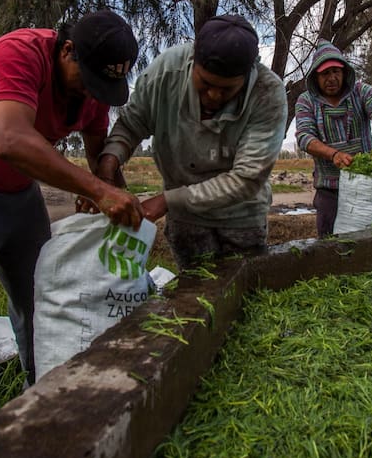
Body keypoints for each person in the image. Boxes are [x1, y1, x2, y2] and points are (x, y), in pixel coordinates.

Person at [0, 10, 144, 438]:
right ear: (66, 50)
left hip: (18, 193)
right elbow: (10, 140)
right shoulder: (18, 53)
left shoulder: (94, 89)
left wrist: (114, 195)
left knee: (43, 299)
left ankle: (45, 403)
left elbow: (96, 153)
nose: (94, 93)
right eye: (88, 79)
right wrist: (98, 191)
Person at [93, 15, 287, 269]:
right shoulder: (165, 73)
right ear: (192, 61)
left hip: (241, 218)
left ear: (247, 75)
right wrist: (108, 164)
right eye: (205, 84)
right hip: (186, 221)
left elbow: (247, 178)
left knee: (245, 292)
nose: (214, 95)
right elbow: (131, 124)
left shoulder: (268, 93)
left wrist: (166, 201)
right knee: (192, 296)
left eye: (227, 89)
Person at [295, 40, 372, 237]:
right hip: (330, 190)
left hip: (366, 186)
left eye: (336, 71)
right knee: (329, 247)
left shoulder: (361, 92)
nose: (332, 78)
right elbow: (304, 136)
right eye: (325, 73)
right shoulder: (306, 101)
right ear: (316, 77)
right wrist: (333, 154)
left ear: (344, 73)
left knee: (369, 241)